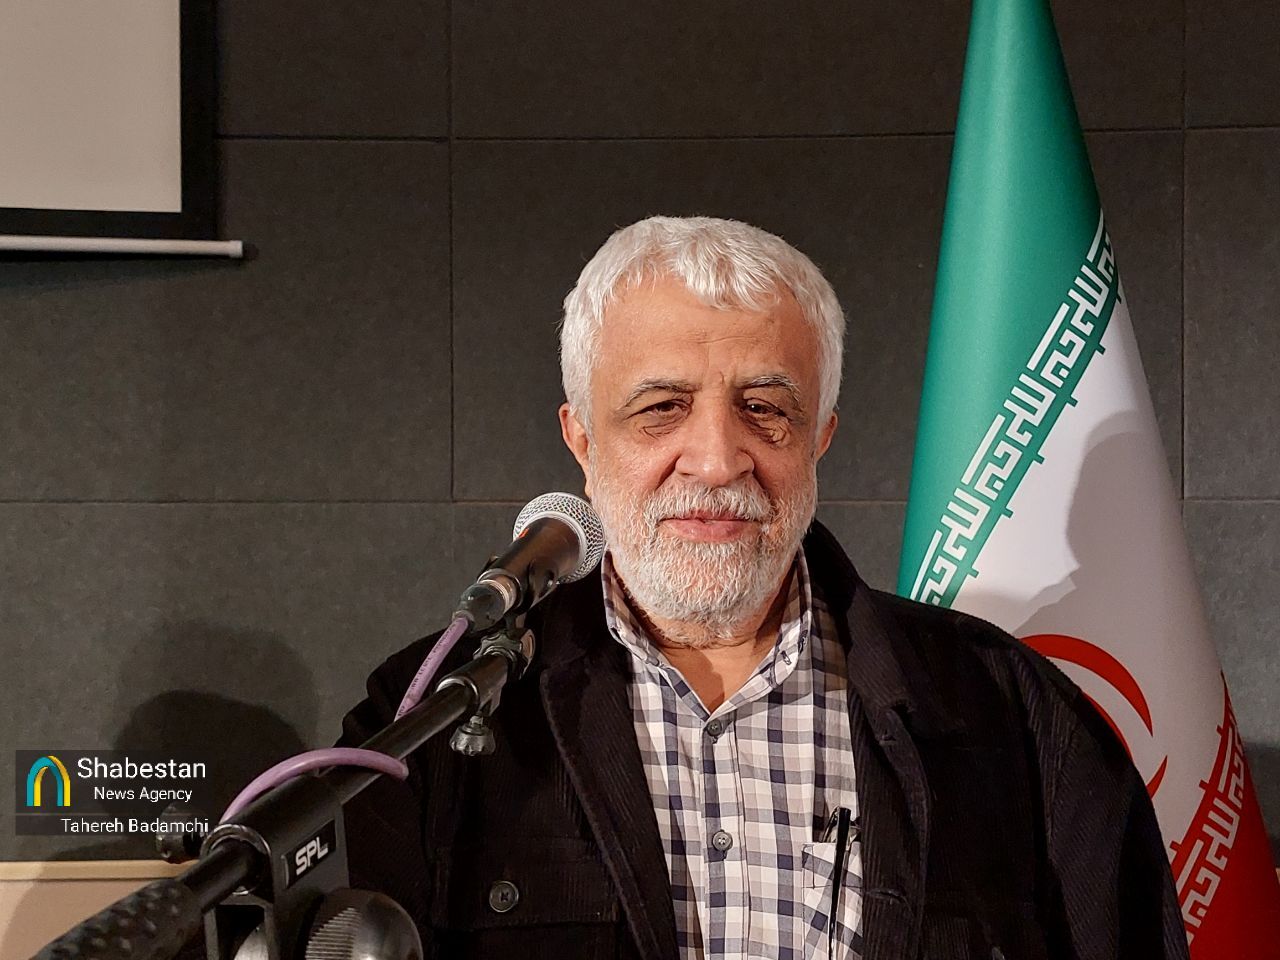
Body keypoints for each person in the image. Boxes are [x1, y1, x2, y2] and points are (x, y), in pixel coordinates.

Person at [338, 216, 1188, 960]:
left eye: (765, 408)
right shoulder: (426, 727)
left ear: (821, 436)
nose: (717, 460)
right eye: (662, 407)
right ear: (583, 440)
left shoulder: (1015, 718)